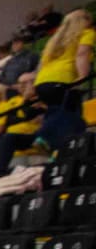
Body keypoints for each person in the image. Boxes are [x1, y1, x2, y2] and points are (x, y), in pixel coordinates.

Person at [34, 8, 93, 153]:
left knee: (57, 113)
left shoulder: (54, 40)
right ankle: (45, 135)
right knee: (73, 116)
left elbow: (42, 64)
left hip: (43, 82)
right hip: (63, 79)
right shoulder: (86, 33)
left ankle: (55, 149)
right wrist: (82, 77)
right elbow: (82, 54)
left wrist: (36, 89)